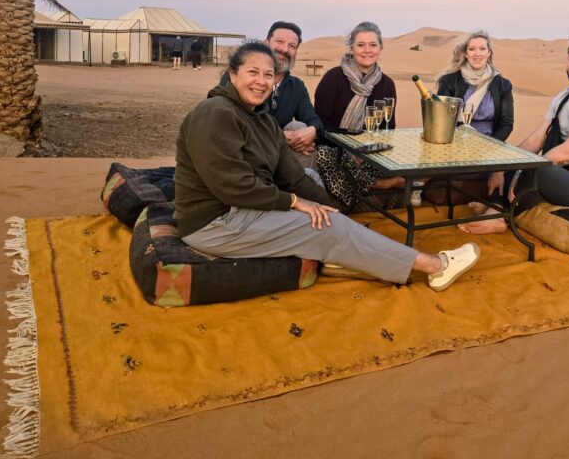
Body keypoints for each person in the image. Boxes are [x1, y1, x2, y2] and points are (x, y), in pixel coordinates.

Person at [174, 41, 480, 290]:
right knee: (325, 227)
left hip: (246, 208)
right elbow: (232, 187)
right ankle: (435, 266)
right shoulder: (215, 114)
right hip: (216, 222)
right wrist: (296, 203)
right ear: (232, 74)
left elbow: (292, 176)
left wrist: (332, 210)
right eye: (252, 72)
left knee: (313, 183)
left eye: (268, 75)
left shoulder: (262, 119)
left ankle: (338, 251)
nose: (261, 81)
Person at [458, 36, 569, 235]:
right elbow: (535, 140)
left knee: (535, 168)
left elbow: (568, 152)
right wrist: (504, 165)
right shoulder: (564, 97)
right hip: (566, 177)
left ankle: (496, 216)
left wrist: (521, 169)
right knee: (514, 158)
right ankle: (496, 207)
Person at [314, 21, 401, 207]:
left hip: (370, 151)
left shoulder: (387, 84)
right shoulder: (333, 78)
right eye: (360, 45)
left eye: (373, 45)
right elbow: (322, 124)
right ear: (351, 48)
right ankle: (377, 185)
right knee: (323, 156)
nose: (367, 50)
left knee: (390, 159)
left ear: (380, 49)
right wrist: (351, 148)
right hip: (335, 147)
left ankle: (361, 191)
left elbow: (388, 128)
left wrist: (367, 150)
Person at [221, 21, 324, 166]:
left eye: (292, 46)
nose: (285, 49)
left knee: (300, 128)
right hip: (242, 155)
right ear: (266, 43)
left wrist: (312, 131)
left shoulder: (296, 86)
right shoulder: (240, 78)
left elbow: (313, 119)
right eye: (280, 42)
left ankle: (302, 179)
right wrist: (281, 136)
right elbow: (231, 125)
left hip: (278, 154)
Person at [436, 29, 514, 141]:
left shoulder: (503, 85)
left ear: (489, 53)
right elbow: (441, 119)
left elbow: (506, 124)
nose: (477, 54)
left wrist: (490, 144)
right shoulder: (448, 81)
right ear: (466, 54)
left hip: (490, 144)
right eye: (472, 49)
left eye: (482, 49)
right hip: (455, 141)